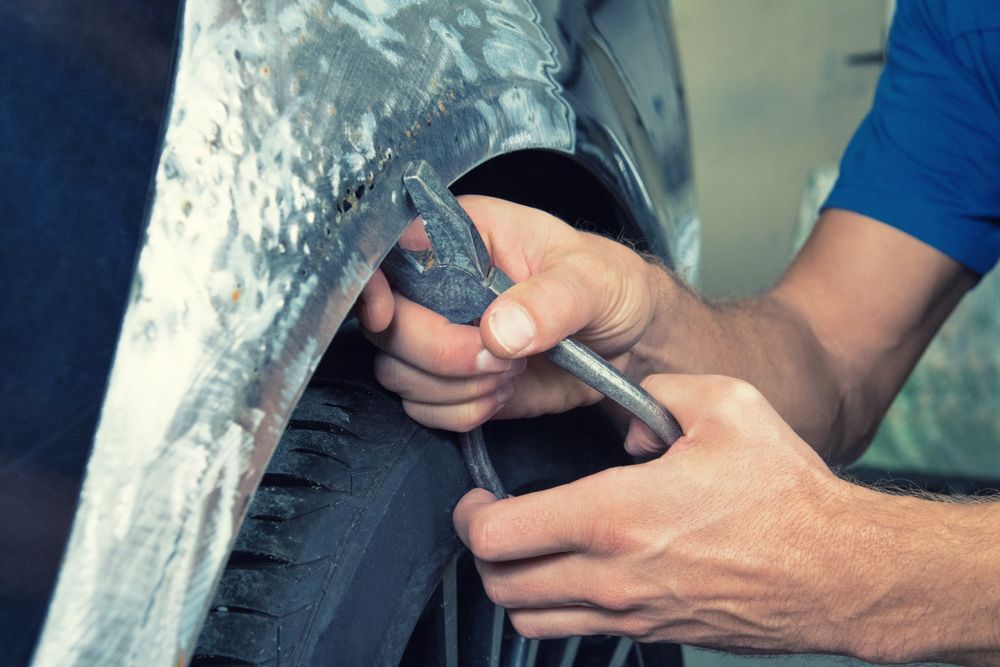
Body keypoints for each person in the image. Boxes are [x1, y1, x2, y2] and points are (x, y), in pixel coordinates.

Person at [358, 2, 1000, 664]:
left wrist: (850, 565)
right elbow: (837, 362)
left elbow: (849, 559)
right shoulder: (964, 19)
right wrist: (644, 329)